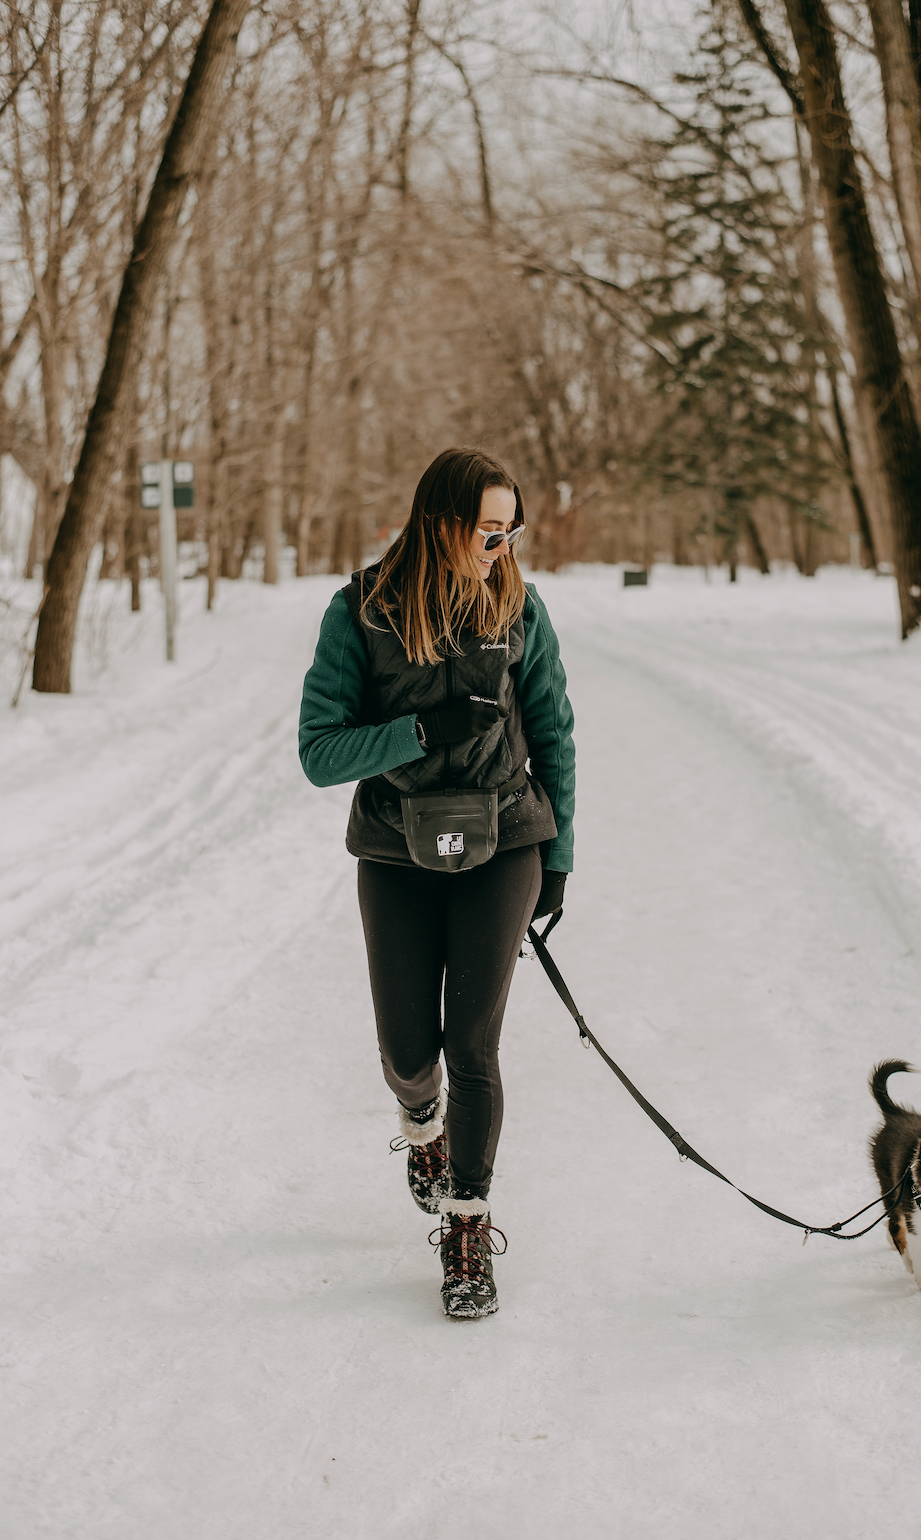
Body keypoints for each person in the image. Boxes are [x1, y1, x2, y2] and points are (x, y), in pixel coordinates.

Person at [299, 446, 576, 1319]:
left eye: (510, 529)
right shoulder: (359, 613)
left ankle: (466, 1225)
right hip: (395, 848)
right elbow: (319, 752)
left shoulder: (521, 607)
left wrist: (558, 856)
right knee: (409, 1052)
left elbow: (557, 733)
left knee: (474, 1047)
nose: (501, 545)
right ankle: (421, 1128)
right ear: (439, 522)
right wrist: (420, 731)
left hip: (505, 844)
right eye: (487, 528)